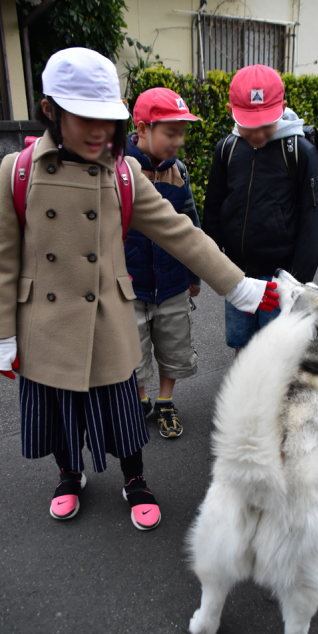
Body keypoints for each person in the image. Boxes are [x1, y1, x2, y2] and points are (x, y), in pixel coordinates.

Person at [0, 48, 279, 531]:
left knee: (122, 413)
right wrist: (0, 337)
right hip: (44, 322)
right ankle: (68, 474)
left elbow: (178, 230)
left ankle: (135, 479)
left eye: (109, 119)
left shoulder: (122, 171)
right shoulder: (17, 171)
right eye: (86, 118)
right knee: (59, 413)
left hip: (107, 320)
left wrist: (239, 286)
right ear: (50, 109)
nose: (100, 132)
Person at [202, 64, 318, 352]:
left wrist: (298, 279)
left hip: (279, 276)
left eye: (265, 124)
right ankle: (246, 392)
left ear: (282, 107)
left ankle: (274, 395)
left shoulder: (300, 150)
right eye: (249, 124)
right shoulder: (228, 149)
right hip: (237, 273)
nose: (257, 133)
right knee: (241, 341)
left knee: (275, 344)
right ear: (232, 110)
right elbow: (214, 205)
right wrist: (211, 262)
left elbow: (314, 216)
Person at [124, 88, 201, 439]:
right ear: (142, 127)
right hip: (130, 284)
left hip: (171, 283)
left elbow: (190, 227)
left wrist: (194, 274)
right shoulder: (118, 170)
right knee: (133, 350)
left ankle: (165, 401)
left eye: (182, 133)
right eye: (171, 132)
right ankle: (140, 400)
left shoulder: (178, 172)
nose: (178, 141)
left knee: (173, 344)